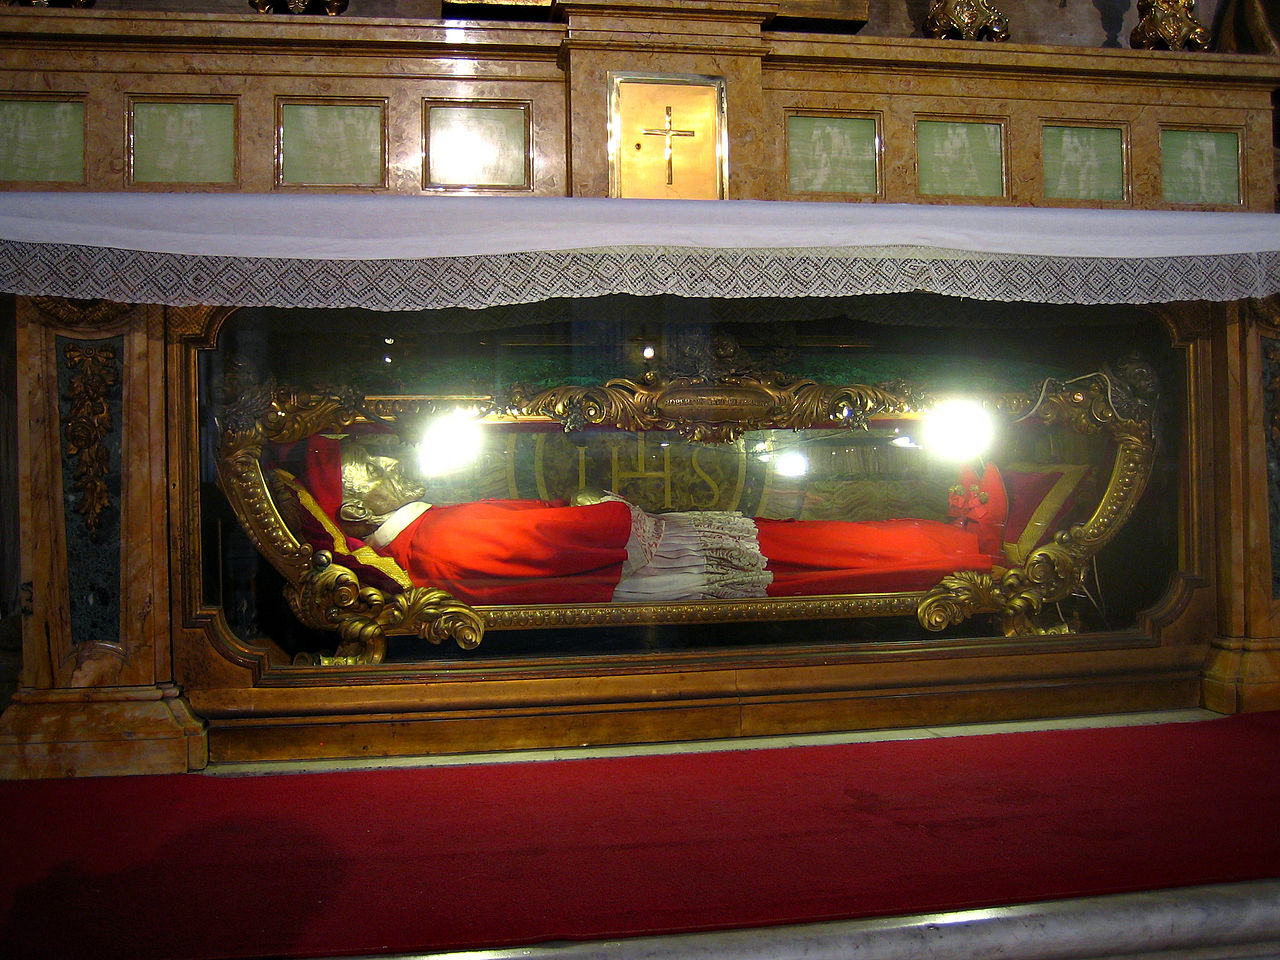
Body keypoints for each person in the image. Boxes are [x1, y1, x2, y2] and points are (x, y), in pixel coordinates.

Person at [305, 438, 1007, 607]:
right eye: (376, 468)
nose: (392, 465)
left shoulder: (425, 541)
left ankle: (942, 553)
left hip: (659, 561)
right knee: (818, 554)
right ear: (368, 500)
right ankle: (950, 556)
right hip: (671, 556)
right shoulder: (441, 532)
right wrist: (609, 510)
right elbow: (573, 538)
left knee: (813, 559)